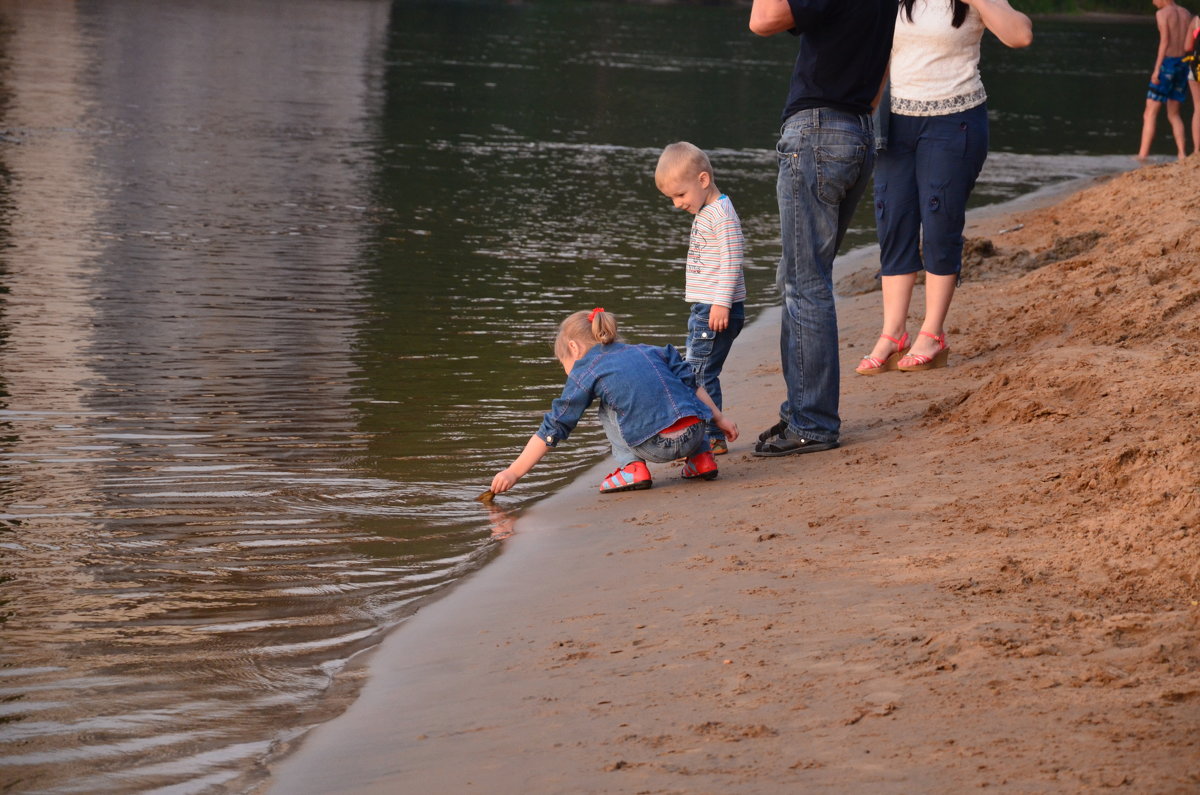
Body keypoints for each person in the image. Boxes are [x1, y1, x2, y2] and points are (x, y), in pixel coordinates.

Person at [747, 0, 896, 457]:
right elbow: (883, 65)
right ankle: (803, 412)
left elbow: (762, 19)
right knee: (803, 277)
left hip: (818, 131)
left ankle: (813, 422)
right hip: (857, 128)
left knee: (806, 283)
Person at [855, 0, 1033, 377]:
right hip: (895, 123)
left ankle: (933, 334)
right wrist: (867, 116)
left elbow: (1020, 36)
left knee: (939, 224)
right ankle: (893, 333)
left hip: (954, 122)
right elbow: (882, 57)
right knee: (893, 222)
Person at [489, 308, 739, 496]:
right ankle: (701, 459)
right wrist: (720, 419)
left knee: (607, 406)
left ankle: (633, 469)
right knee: (677, 387)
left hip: (654, 445)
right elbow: (693, 385)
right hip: (696, 433)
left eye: (563, 362)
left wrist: (513, 472)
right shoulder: (653, 350)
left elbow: (555, 426)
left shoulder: (586, 370)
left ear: (573, 348)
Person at [654, 141, 747, 456]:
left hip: (716, 308)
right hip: (706, 307)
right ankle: (709, 432)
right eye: (672, 198)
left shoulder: (721, 213)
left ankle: (711, 436)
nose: (677, 204)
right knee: (700, 370)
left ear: (703, 180)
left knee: (697, 373)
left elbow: (732, 259)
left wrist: (721, 302)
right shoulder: (708, 210)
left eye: (680, 195)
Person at [1137, 0, 1194, 161]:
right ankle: (1182, 153)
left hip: (1167, 63)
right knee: (1174, 113)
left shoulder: (1162, 14)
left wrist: (1156, 69)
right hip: (1183, 64)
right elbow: (1189, 43)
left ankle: (1143, 155)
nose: (1153, 2)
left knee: (1150, 112)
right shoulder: (1186, 13)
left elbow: (1165, 42)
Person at [1186, 13, 1200, 154]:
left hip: (1196, 65)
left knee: (1198, 107)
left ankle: (1197, 150)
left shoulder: (1196, 20)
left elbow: (1187, 46)